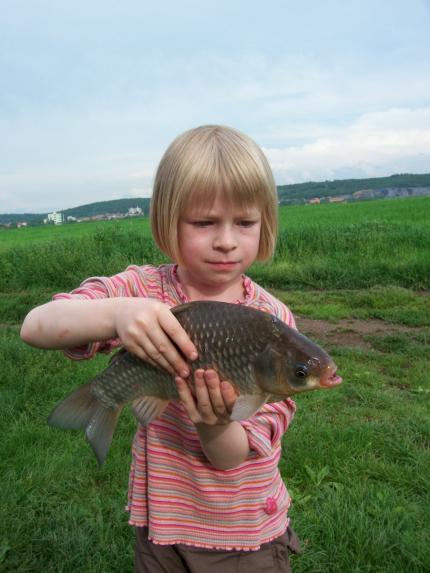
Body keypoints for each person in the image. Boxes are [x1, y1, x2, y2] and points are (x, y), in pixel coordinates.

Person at [21, 125, 301, 572]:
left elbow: (234, 454)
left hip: (243, 533)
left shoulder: (274, 324)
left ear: (265, 222)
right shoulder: (141, 289)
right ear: (168, 222)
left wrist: (213, 425)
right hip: (160, 525)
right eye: (204, 221)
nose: (226, 239)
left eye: (244, 222)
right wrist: (116, 315)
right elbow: (35, 327)